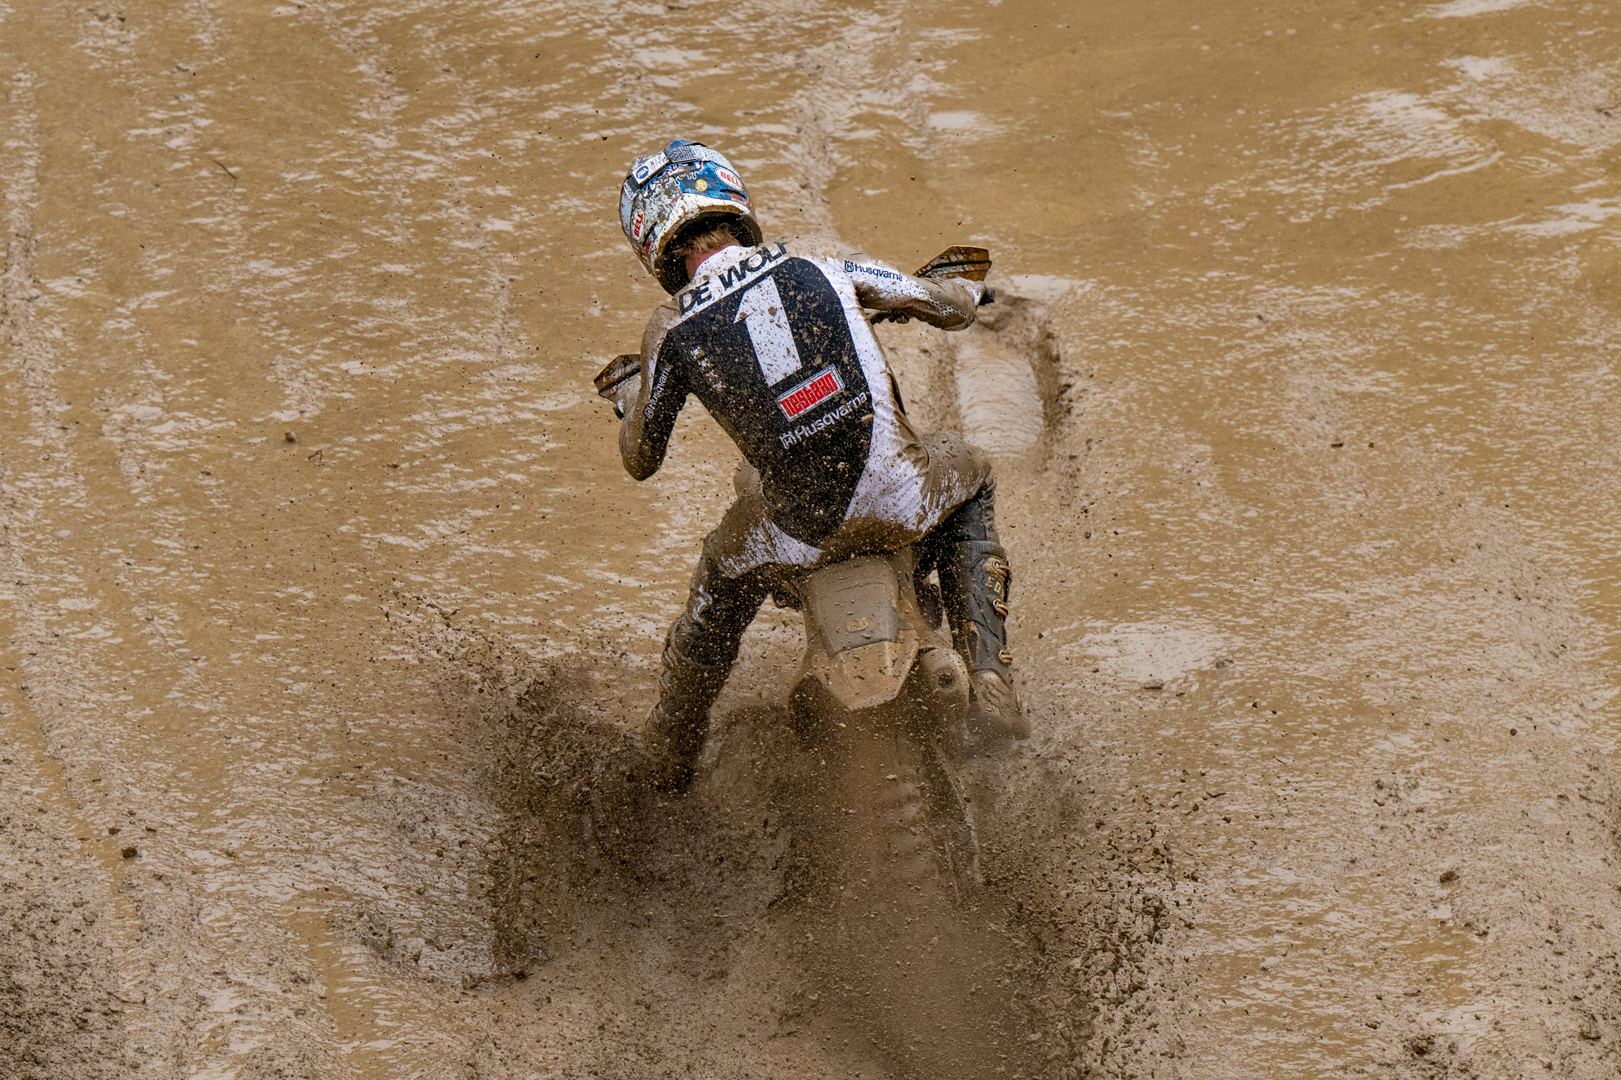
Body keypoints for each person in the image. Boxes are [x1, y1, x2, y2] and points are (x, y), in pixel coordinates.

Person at [606, 138, 1027, 792]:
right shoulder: (821, 264)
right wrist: (955, 288)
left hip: (797, 534)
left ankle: (670, 750)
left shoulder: (670, 327)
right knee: (969, 469)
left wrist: (632, 398)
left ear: (650, 240)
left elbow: (640, 459)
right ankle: (992, 680)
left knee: (717, 582)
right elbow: (949, 308)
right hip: (904, 499)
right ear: (732, 200)